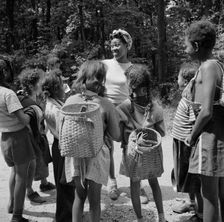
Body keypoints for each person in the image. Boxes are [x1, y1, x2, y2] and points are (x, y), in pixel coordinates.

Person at [63, 60, 121, 222]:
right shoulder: (105, 104)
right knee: (95, 202)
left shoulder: (70, 101)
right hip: (96, 155)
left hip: (75, 155)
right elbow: (116, 136)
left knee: (79, 197)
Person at [102, 29, 151, 202]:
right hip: (106, 108)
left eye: (118, 45)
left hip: (126, 110)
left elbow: (135, 92)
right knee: (107, 146)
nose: (114, 48)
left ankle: (137, 184)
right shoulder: (104, 64)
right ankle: (111, 182)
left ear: (127, 46)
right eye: (112, 45)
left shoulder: (132, 68)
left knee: (130, 147)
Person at [184, 20, 224, 222]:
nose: (185, 48)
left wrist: (192, 136)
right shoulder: (216, 65)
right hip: (217, 136)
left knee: (209, 195)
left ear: (196, 46)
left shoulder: (208, 67)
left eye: (186, 44)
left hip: (209, 138)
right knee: (217, 194)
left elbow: (207, 110)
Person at [117, 64, 166, 222]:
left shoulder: (124, 107)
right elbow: (162, 132)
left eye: (130, 86)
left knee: (135, 185)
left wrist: (129, 137)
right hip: (151, 155)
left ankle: (140, 219)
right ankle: (162, 217)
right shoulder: (156, 108)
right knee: (154, 182)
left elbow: (119, 136)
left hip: (132, 155)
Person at [0, 57, 33, 222]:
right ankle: (17, 215)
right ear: (3, 73)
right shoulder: (8, 94)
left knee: (14, 171)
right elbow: (23, 120)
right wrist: (31, 111)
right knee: (21, 175)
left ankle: (11, 205)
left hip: (4, 137)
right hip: (18, 137)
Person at [171, 62, 203, 221]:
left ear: (184, 80)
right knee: (184, 175)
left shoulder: (190, 97)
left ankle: (200, 213)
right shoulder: (186, 94)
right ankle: (192, 203)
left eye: (178, 76)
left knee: (193, 178)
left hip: (186, 144)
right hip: (179, 141)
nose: (176, 79)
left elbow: (194, 121)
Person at [17, 68, 55, 204]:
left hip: (39, 133)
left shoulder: (38, 97)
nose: (43, 86)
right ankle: (29, 191)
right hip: (30, 136)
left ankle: (44, 183)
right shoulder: (22, 99)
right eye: (41, 83)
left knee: (43, 158)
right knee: (31, 164)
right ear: (32, 86)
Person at [42, 69, 75, 222]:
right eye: (62, 85)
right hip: (62, 146)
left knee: (65, 183)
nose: (65, 87)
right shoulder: (54, 109)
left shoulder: (55, 103)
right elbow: (66, 130)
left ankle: (66, 214)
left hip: (60, 145)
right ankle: (64, 217)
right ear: (56, 89)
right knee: (65, 183)